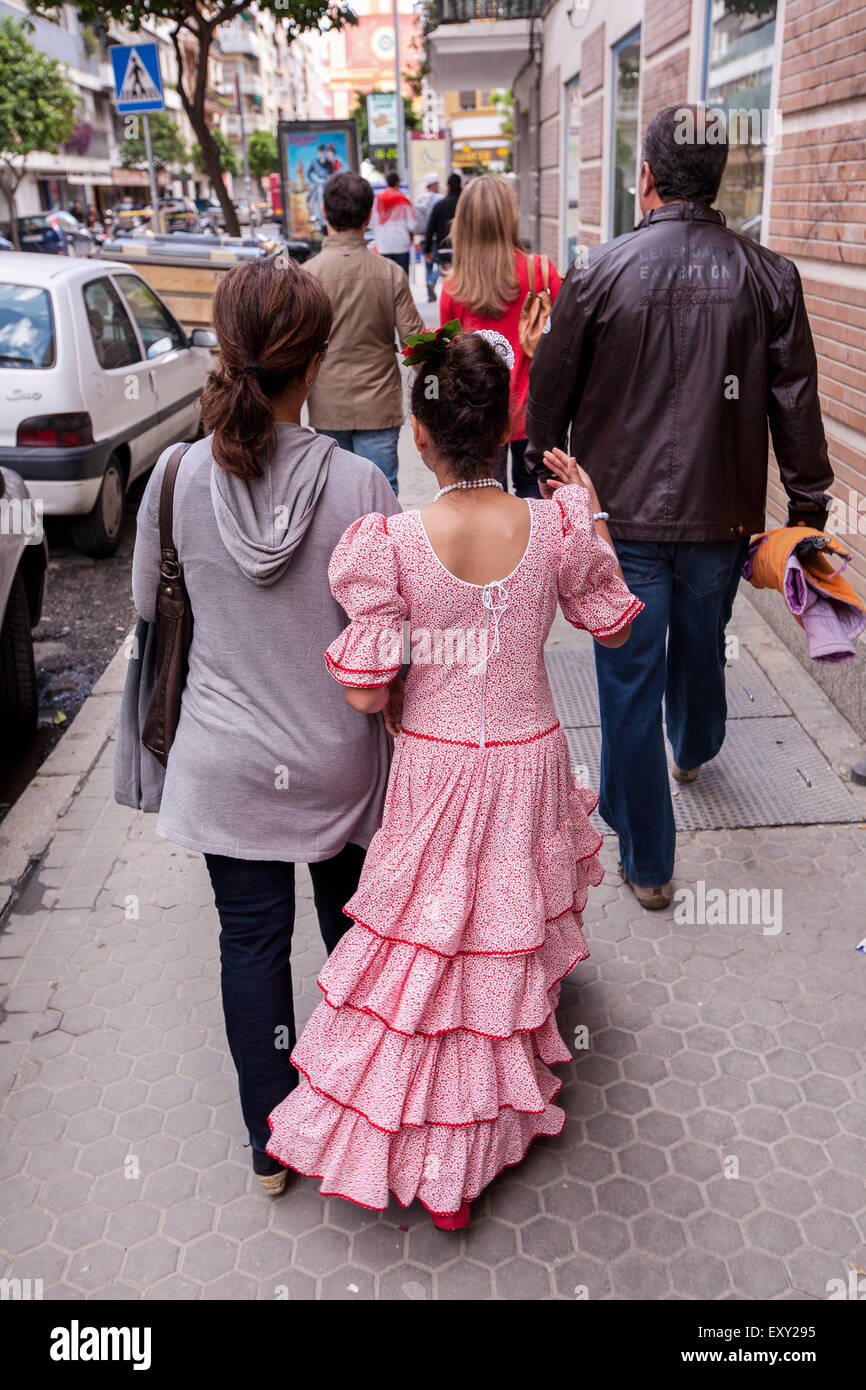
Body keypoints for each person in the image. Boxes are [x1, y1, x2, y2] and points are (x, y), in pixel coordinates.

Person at [265, 328, 642, 1228]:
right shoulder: (553, 525)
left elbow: (363, 695)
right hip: (529, 758)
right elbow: (617, 630)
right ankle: (472, 1149)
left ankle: (433, 1163)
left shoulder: (388, 542)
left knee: (431, 954)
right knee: (501, 944)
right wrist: (588, 510)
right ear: (510, 421)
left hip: (435, 768)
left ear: (418, 435)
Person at [131, 258, 402, 1194]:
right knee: (350, 937)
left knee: (248, 945)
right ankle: (357, 1109)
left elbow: (150, 608)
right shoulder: (362, 488)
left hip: (223, 766)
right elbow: (391, 640)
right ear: (315, 362)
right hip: (337, 765)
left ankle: (270, 1143)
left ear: (225, 350)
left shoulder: (171, 479)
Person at [526, 103, 834, 909]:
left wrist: (540, 478)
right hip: (721, 515)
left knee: (628, 678)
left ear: (648, 179)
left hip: (619, 517)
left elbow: (550, 392)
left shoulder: (597, 271)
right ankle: (694, 746)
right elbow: (795, 402)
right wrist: (809, 506)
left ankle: (650, 863)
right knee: (703, 639)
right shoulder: (770, 275)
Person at [440, 175, 562, 499]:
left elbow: (449, 362)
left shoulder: (454, 288)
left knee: (487, 504)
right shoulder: (542, 272)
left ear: (463, 223)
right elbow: (564, 343)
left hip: (480, 418)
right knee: (537, 509)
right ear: (510, 217)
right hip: (535, 416)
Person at [306, 171, 424, 496]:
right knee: (380, 497)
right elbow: (416, 346)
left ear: (325, 212)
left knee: (335, 499)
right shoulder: (390, 274)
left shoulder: (306, 277)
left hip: (327, 404)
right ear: (369, 216)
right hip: (379, 405)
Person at [372, 169, 416, 274]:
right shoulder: (403, 200)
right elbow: (412, 224)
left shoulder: (378, 199)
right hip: (401, 244)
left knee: (386, 279)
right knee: (403, 277)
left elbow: (373, 220)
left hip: (383, 244)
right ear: (398, 182)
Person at [414, 173, 443, 301]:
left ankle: (429, 295)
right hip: (435, 238)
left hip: (422, 238)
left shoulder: (419, 198)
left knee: (428, 265)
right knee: (444, 265)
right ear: (434, 184)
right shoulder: (439, 198)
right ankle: (432, 281)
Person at [424, 171, 461, 270]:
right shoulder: (466, 205)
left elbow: (431, 227)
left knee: (447, 277)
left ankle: (432, 281)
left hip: (443, 247)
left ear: (448, 187)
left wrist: (427, 249)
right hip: (463, 247)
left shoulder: (440, 205)